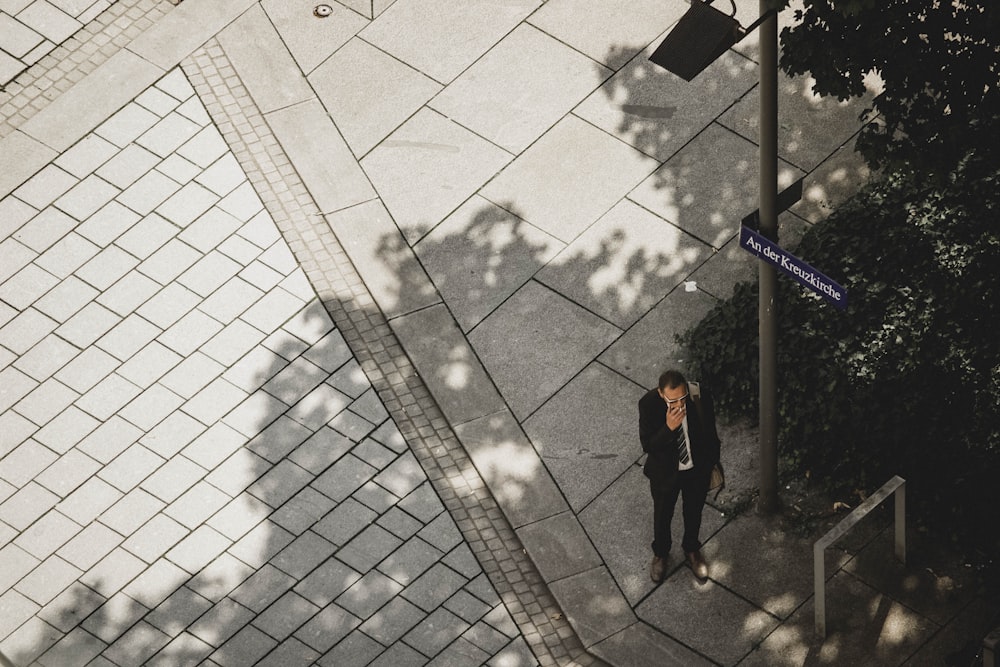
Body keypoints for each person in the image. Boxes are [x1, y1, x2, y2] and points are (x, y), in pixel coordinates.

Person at [638, 369, 721, 583]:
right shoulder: (648, 404)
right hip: (665, 474)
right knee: (663, 515)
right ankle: (661, 554)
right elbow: (648, 445)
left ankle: (692, 549)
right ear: (661, 393)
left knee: (693, 512)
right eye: (672, 401)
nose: (679, 405)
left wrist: (711, 461)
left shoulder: (698, 395)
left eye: (682, 398)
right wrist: (669, 427)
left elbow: (710, 432)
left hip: (696, 471)